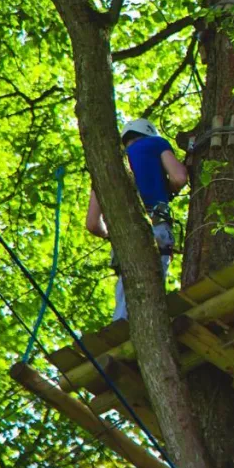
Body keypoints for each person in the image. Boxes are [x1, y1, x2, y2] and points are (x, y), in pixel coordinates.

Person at [85, 118, 189, 321]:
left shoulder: (105, 169)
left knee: (127, 286)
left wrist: (113, 233)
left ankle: (121, 325)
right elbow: (179, 178)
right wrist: (170, 189)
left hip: (123, 238)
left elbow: (92, 223)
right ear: (149, 133)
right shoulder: (156, 144)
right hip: (155, 226)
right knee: (152, 286)